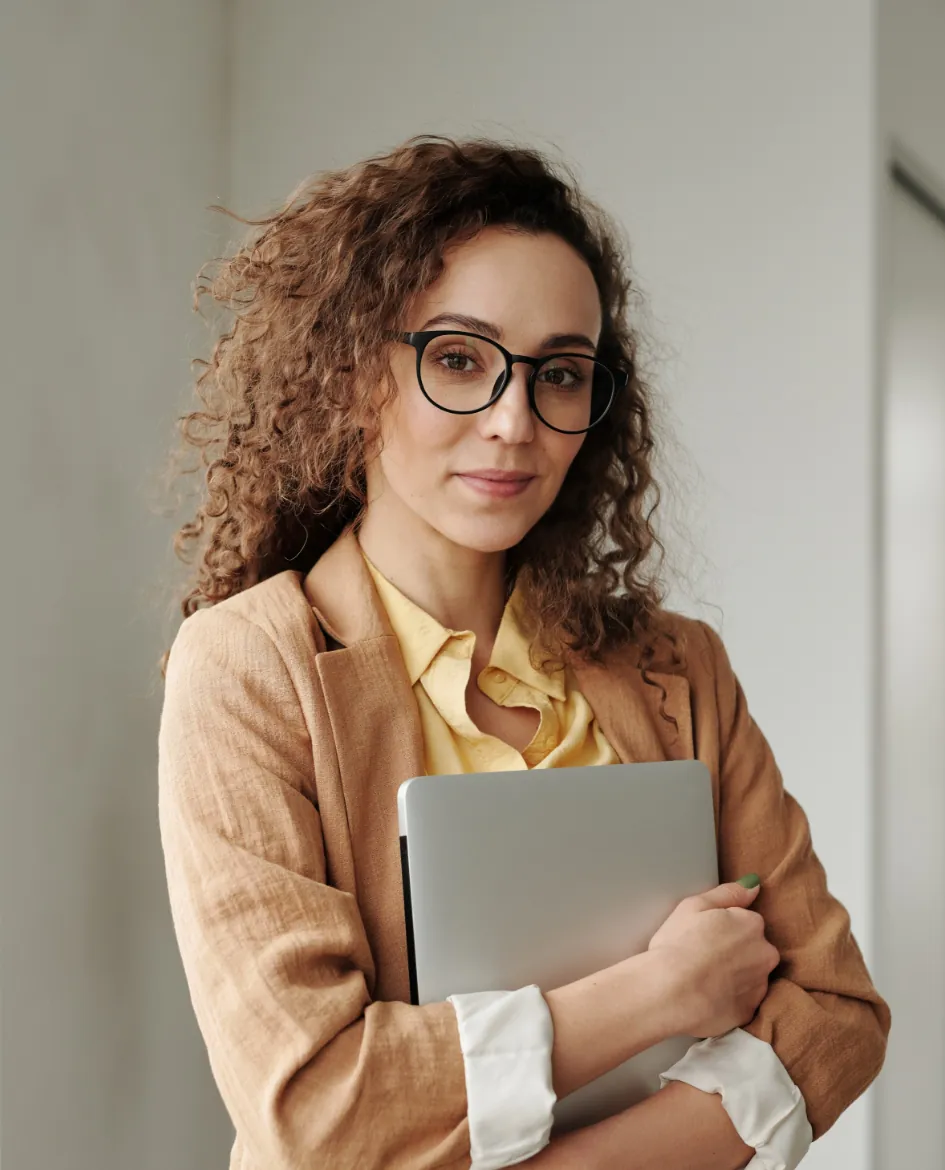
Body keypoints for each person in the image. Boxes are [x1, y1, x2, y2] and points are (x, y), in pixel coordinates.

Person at [157, 136, 890, 1170]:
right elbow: (319, 1108)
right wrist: (662, 993)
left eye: (559, 374)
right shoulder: (247, 669)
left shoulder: (680, 670)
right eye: (460, 358)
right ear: (360, 366)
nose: (515, 422)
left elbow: (836, 1014)